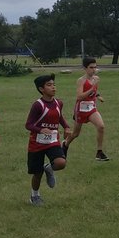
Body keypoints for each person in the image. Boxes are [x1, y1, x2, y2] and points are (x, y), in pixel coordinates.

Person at [25, 74, 70, 206]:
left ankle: (49, 169)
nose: (53, 87)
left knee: (61, 163)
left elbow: (59, 117)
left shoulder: (58, 103)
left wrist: (66, 127)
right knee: (37, 173)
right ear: (41, 89)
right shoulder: (38, 105)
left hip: (52, 141)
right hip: (37, 143)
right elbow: (28, 124)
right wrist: (40, 130)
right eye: (49, 85)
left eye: (54, 84)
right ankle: (34, 196)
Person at [65, 57, 109, 161]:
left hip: (91, 107)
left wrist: (98, 96)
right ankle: (65, 144)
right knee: (76, 134)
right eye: (91, 67)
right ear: (85, 68)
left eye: (95, 67)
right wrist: (92, 86)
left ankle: (99, 152)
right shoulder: (81, 80)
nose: (93, 70)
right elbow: (80, 96)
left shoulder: (95, 78)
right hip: (81, 109)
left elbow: (94, 91)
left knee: (101, 126)